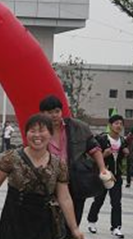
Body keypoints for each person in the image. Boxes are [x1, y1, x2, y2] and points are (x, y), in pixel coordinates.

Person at [39, 95, 109, 226]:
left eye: (57, 111)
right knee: (50, 220)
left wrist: (102, 168)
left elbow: (94, 148)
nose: (54, 115)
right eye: (49, 112)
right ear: (42, 114)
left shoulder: (78, 127)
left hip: (75, 179)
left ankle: (71, 236)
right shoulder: (38, 131)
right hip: (50, 181)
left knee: (74, 219)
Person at [87, 114, 129, 238]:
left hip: (116, 176)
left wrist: (126, 153)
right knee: (99, 199)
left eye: (121, 124)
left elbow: (122, 157)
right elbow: (91, 157)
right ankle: (92, 221)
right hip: (103, 174)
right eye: (116, 123)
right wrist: (104, 154)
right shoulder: (101, 139)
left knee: (116, 202)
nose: (119, 126)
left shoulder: (123, 141)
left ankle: (116, 227)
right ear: (110, 125)